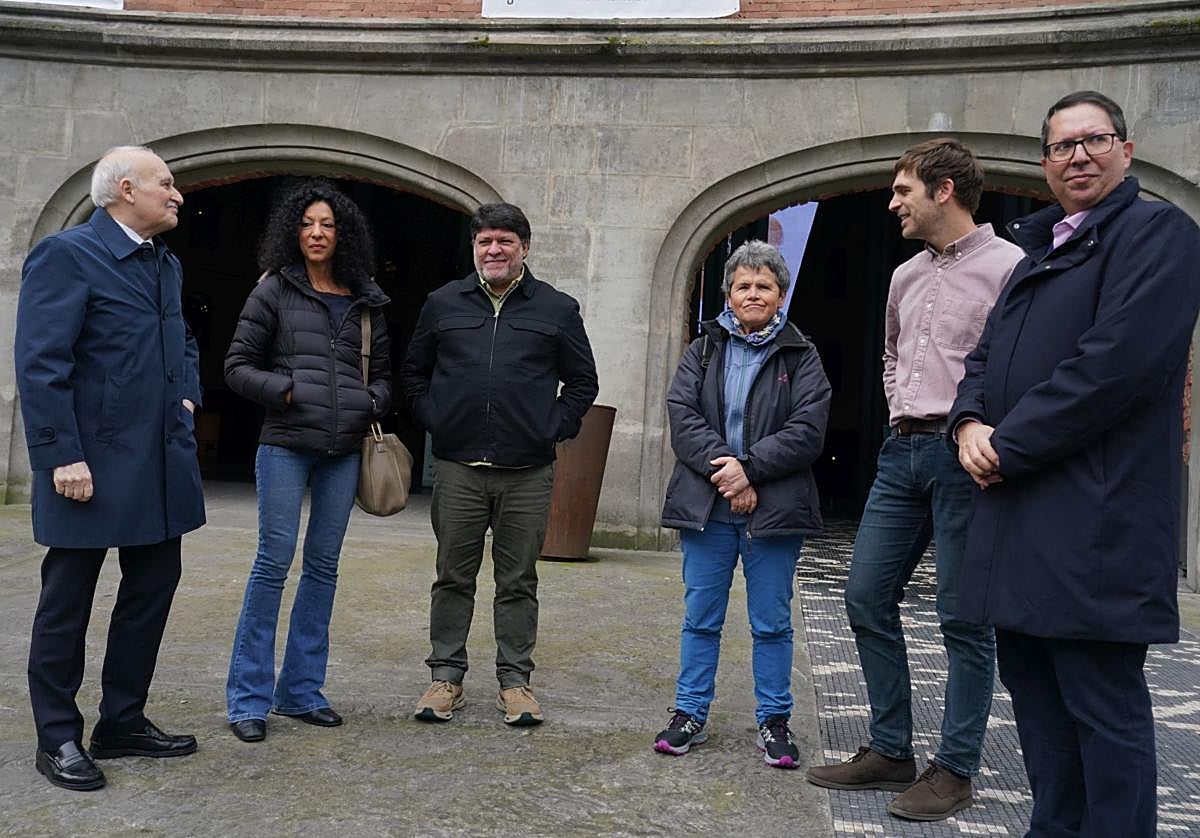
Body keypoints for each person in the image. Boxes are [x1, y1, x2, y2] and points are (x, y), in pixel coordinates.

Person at [949, 91, 1200, 837]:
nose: (1079, 156)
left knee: (1101, 706)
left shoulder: (1159, 233)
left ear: (1125, 150)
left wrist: (1006, 443)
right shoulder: (1041, 247)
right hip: (1020, 517)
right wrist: (966, 425)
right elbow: (984, 355)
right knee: (1036, 703)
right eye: (1063, 146)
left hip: (1098, 520)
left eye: (1095, 140)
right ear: (1045, 163)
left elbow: (1114, 368)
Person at [805, 139, 1023, 820]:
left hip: (969, 459)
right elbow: (894, 356)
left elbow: (1019, 366)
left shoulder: (1012, 268)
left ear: (944, 190)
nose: (894, 202)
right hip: (902, 454)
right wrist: (901, 403)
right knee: (865, 594)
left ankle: (953, 769)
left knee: (964, 618)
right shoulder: (903, 275)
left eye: (903, 191)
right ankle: (890, 749)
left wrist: (986, 434)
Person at [14, 146, 205, 791]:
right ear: (126, 189)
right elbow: (42, 361)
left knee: (152, 590)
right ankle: (57, 736)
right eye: (166, 184)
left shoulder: (165, 264)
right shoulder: (67, 255)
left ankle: (121, 721)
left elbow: (183, 337)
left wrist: (186, 392)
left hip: (159, 461)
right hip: (87, 464)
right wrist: (59, 453)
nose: (177, 194)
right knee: (67, 601)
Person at [401, 202, 597, 726]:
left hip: (527, 472)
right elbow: (413, 373)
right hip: (459, 467)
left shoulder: (556, 309)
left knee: (517, 580)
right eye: (485, 241)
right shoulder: (443, 304)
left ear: (524, 249)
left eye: (505, 242)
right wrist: (435, 418)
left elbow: (583, 382)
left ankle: (515, 684)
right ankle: (446, 679)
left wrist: (552, 427)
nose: (494, 250)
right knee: (452, 576)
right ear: (474, 248)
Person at [223, 179, 391, 743]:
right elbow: (237, 366)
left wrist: (373, 401)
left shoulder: (366, 297)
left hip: (343, 453)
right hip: (285, 446)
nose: (316, 233)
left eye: (327, 225)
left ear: (344, 234)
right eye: (307, 224)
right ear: (292, 232)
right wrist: (287, 390)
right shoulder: (272, 290)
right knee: (272, 565)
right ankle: (248, 699)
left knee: (323, 569)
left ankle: (300, 692)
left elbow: (387, 376)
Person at [655, 240, 831, 768]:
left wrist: (749, 468)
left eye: (765, 286)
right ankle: (689, 713)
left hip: (774, 510)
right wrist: (731, 473)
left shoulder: (802, 354)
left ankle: (775, 720)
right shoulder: (703, 348)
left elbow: (808, 429)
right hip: (707, 507)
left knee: (772, 623)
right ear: (729, 294)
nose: (753, 294)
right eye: (743, 286)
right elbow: (682, 416)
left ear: (781, 295)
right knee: (701, 617)